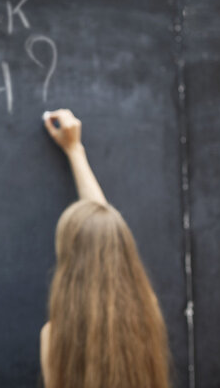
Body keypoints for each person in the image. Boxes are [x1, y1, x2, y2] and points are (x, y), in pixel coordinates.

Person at [40, 109, 171, 388]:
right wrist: (75, 150)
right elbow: (106, 236)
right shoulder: (148, 318)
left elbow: (101, 232)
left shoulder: (55, 339)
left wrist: (74, 150)